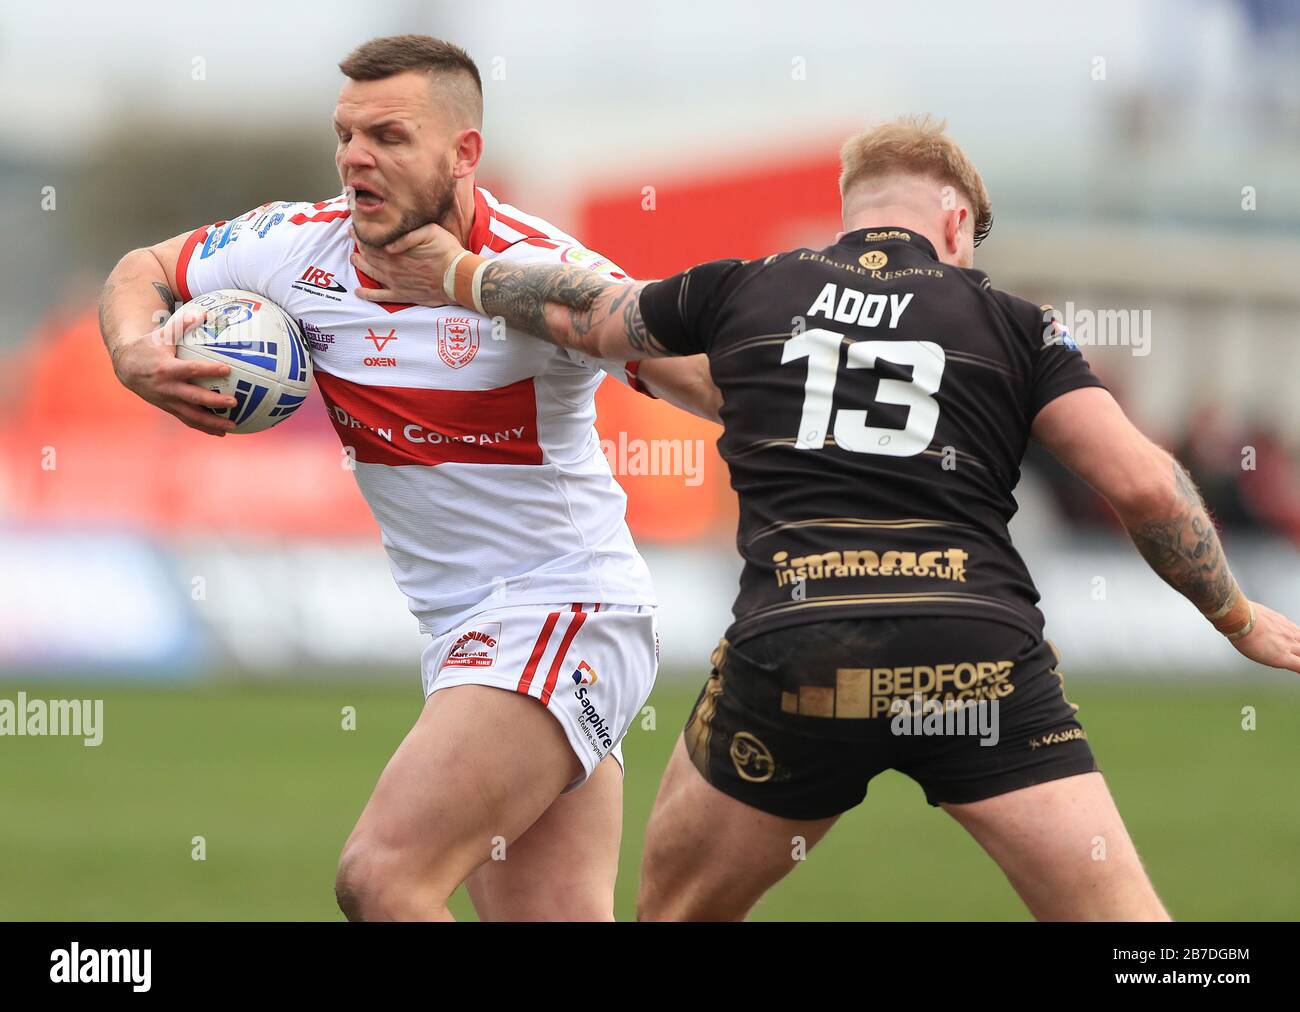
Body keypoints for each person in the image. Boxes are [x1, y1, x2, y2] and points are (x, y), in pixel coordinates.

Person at [352, 114, 1300, 921]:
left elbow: (586, 313)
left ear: (855, 209)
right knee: (1139, 932)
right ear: (957, 222)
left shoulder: (745, 287)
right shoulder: (1012, 322)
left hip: (799, 657)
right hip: (971, 657)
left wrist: (464, 275)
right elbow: (1143, 486)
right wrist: (1237, 616)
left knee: (670, 914)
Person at [98, 34, 718, 922]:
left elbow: (697, 376)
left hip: (561, 612)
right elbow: (144, 270)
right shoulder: (293, 248)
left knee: (382, 877)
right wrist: (134, 352)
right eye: (346, 134)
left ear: (464, 153)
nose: (356, 157)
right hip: (467, 631)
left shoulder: (536, 271)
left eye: (389, 136)